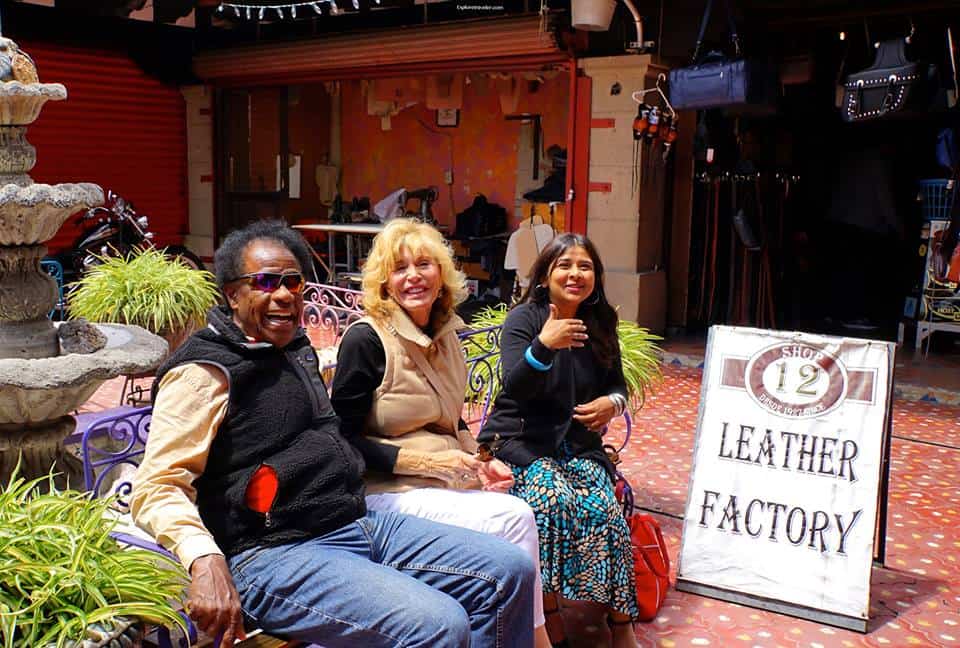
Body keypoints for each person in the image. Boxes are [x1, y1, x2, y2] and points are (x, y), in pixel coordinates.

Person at [131, 220, 535, 648]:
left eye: (293, 281)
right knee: (438, 624)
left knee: (509, 570)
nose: (284, 294)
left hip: (351, 522)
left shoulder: (292, 347)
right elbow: (157, 486)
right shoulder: (205, 372)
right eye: (265, 282)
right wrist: (204, 558)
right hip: (271, 553)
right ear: (233, 294)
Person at [330, 218, 551, 648]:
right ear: (385, 283)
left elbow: (454, 420)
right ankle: (534, 640)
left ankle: (503, 632)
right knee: (514, 518)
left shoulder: (449, 333)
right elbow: (340, 441)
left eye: (424, 264)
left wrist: (483, 460)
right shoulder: (366, 340)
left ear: (442, 273)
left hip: (442, 482)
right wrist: (430, 463)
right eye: (400, 268)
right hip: (384, 493)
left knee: (513, 503)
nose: (413, 276)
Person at [477, 233, 640, 648]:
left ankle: (620, 624)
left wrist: (612, 403)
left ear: (596, 277)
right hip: (523, 443)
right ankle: (546, 617)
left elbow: (618, 384)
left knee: (605, 511)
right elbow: (514, 389)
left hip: (579, 445)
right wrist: (543, 347)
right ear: (546, 274)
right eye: (564, 265)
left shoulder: (601, 322)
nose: (575, 274)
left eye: (585, 266)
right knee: (550, 503)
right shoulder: (524, 320)